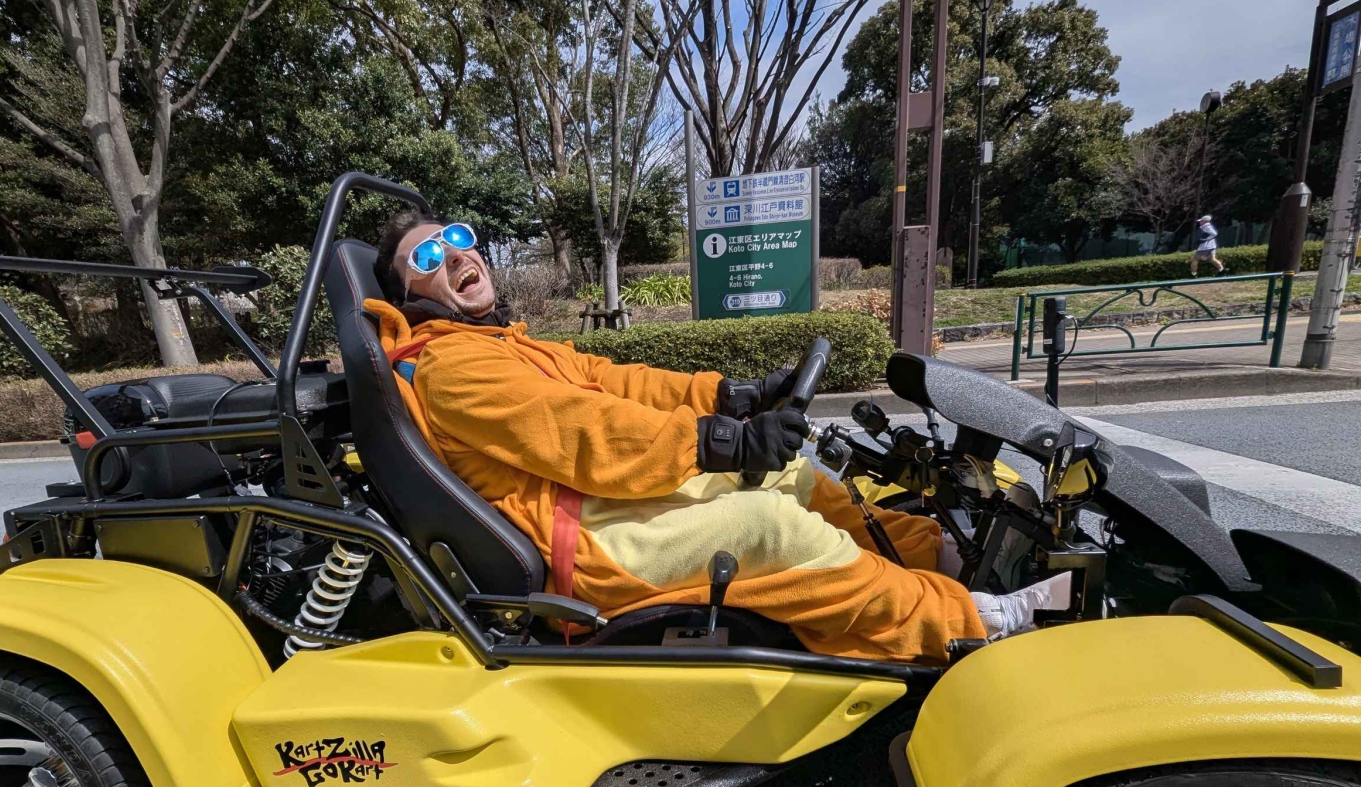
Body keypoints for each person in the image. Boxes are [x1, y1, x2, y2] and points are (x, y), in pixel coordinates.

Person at [365, 211, 1066, 662]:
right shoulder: (453, 368)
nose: (452, 256)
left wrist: (731, 396)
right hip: (581, 545)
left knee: (790, 474)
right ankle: (968, 622)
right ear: (408, 295)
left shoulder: (504, 343)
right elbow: (583, 432)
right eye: (426, 256)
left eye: (457, 238)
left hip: (601, 504)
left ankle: (940, 556)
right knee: (771, 524)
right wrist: (719, 443)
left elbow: (616, 380)